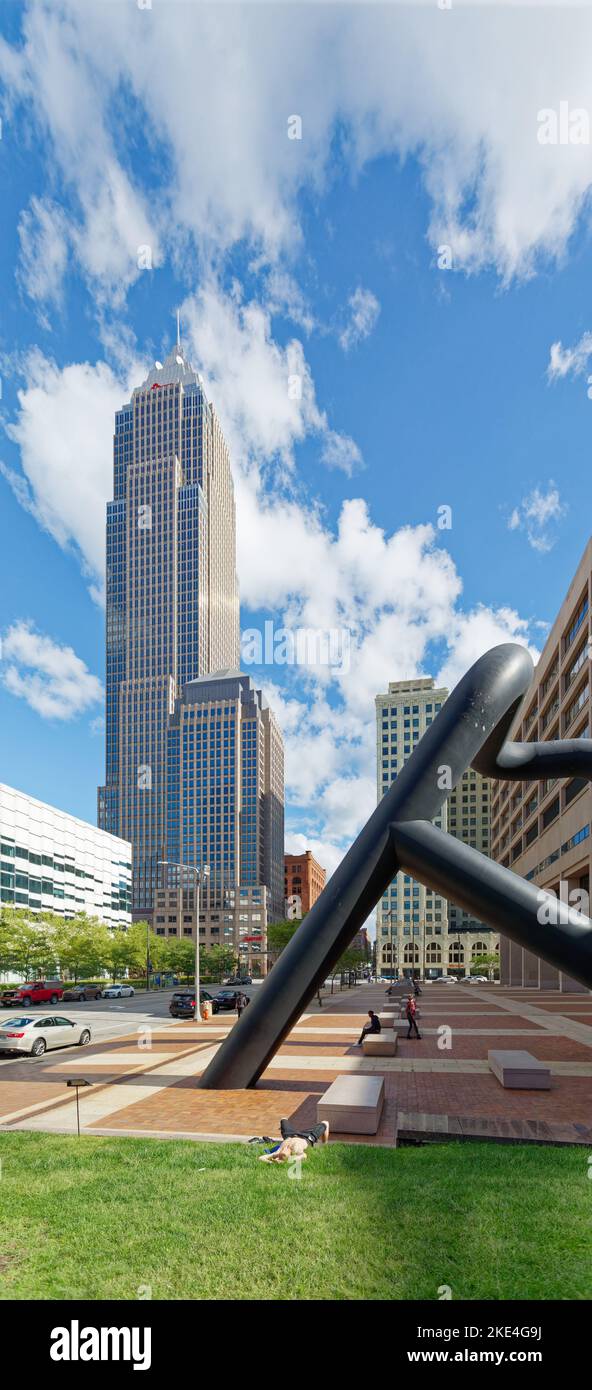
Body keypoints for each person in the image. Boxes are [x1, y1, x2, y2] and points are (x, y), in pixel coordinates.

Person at [258, 1120, 329, 1162]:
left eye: (279, 1156)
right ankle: (325, 1144)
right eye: (282, 1157)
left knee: (283, 1120)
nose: (278, 1157)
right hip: (307, 1136)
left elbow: (260, 1158)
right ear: (290, 1155)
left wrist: (270, 1161)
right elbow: (304, 1155)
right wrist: (290, 1160)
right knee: (325, 1123)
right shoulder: (296, 1150)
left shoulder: (278, 1152)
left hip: (289, 1135)